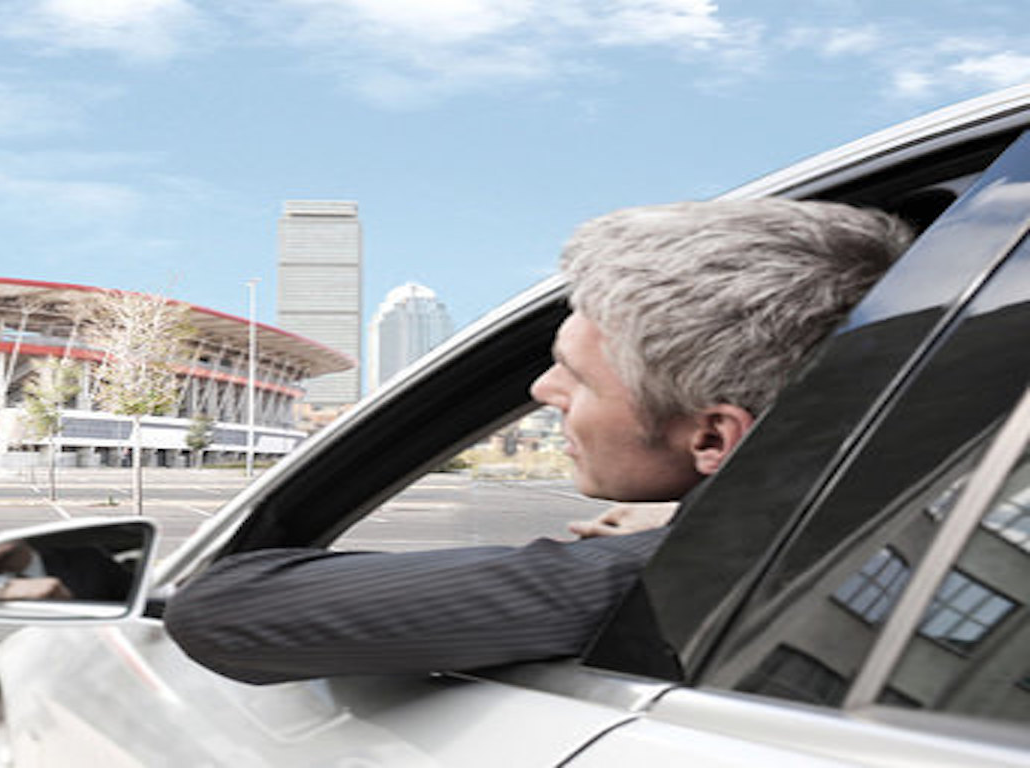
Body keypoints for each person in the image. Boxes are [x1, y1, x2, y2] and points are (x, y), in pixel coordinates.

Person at [162, 198, 913, 684]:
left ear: (713, 437)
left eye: (576, 379)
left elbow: (222, 613)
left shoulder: (697, 571)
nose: (539, 393)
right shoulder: (904, 518)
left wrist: (686, 536)